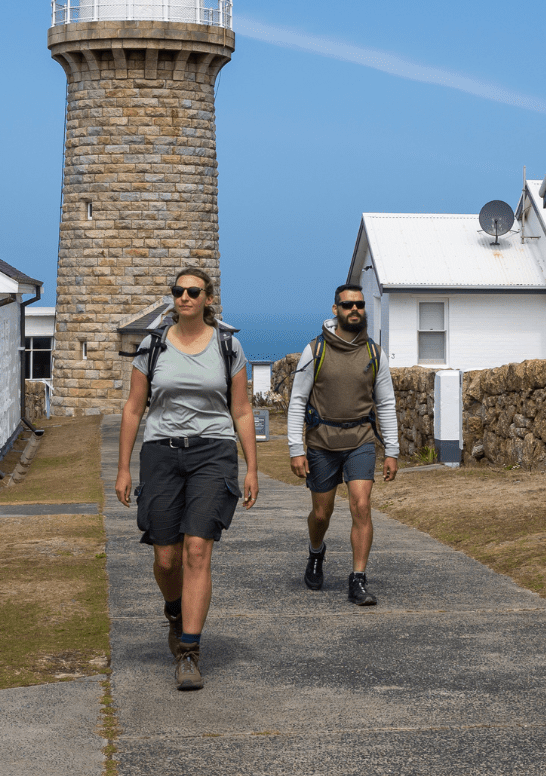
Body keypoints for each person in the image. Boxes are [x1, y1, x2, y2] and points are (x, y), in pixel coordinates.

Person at [113, 266, 260, 691]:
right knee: (166, 558)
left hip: (213, 453)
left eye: (194, 292)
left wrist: (252, 466)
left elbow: (242, 410)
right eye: (178, 292)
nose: (185, 298)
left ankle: (189, 651)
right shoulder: (153, 345)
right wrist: (123, 468)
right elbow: (133, 408)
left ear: (208, 298)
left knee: (197, 548)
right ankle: (175, 610)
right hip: (162, 453)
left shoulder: (229, 347)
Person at [285, 283, 398, 605]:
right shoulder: (315, 350)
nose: (354, 310)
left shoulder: (375, 353)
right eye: (347, 305)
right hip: (322, 442)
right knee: (322, 514)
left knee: (361, 505)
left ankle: (358, 579)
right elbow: (297, 401)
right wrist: (296, 448)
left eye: (359, 305)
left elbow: (386, 403)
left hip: (361, 439)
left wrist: (392, 450)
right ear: (335, 309)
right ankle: (316, 553)